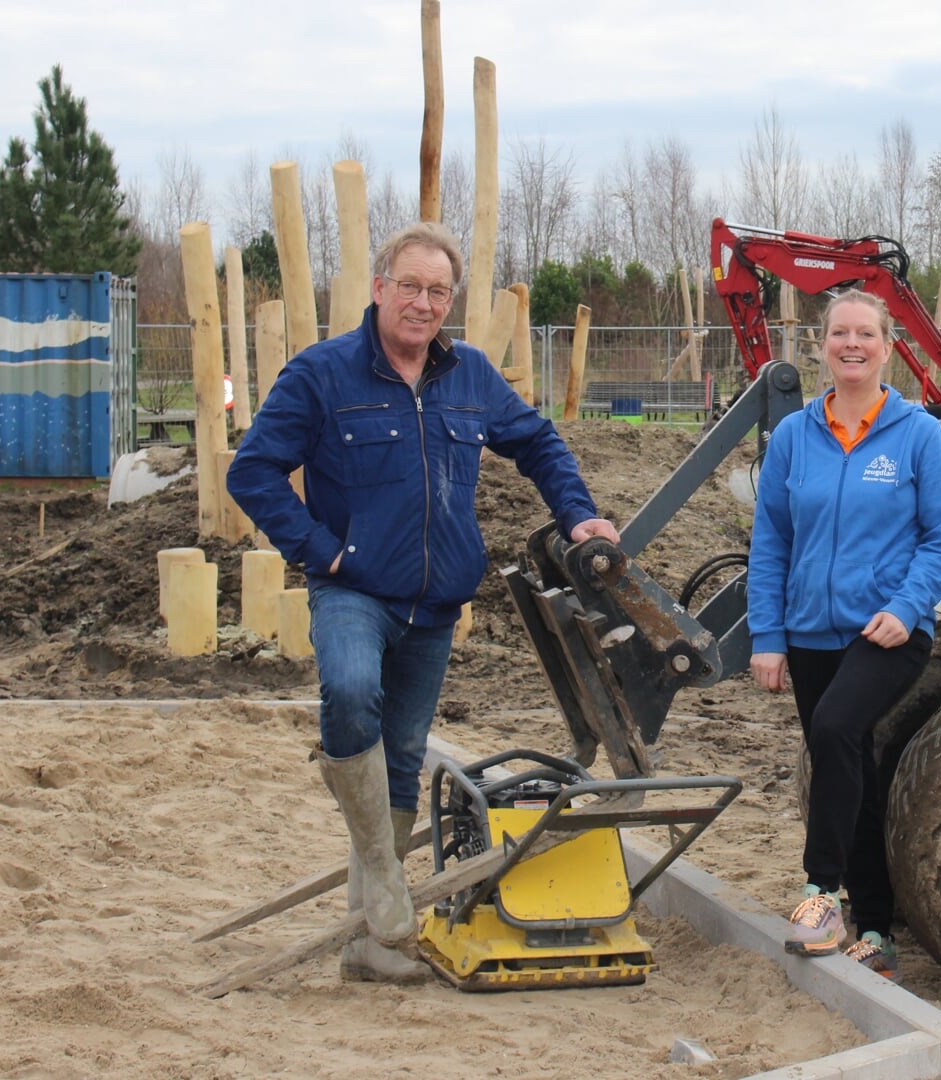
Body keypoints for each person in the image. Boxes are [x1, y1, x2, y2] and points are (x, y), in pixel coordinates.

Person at [226, 222, 618, 983]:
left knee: (403, 757)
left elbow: (538, 442)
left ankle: (368, 944)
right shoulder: (321, 375)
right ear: (379, 289)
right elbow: (254, 473)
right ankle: (385, 881)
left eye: (438, 291)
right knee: (346, 692)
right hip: (353, 589)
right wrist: (320, 551)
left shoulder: (469, 375)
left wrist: (578, 514)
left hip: (436, 604)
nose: (423, 303)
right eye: (409, 286)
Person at [746, 288, 941, 981]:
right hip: (808, 631)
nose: (850, 344)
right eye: (838, 333)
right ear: (821, 345)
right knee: (853, 773)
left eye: (864, 334)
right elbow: (770, 543)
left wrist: (906, 607)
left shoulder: (917, 434)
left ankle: (821, 893)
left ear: (886, 345)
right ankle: (876, 929)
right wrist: (766, 636)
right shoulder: (792, 438)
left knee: (838, 730)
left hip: (887, 632)